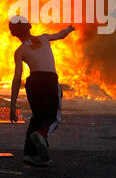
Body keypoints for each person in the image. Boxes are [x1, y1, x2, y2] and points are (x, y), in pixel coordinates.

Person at [9, 15, 75, 167]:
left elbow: (17, 79)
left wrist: (12, 106)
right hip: (49, 81)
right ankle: (42, 135)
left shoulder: (19, 51)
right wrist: (69, 29)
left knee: (37, 117)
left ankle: (29, 154)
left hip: (33, 83)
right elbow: (61, 34)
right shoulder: (44, 38)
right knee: (53, 118)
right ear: (30, 26)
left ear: (13, 34)